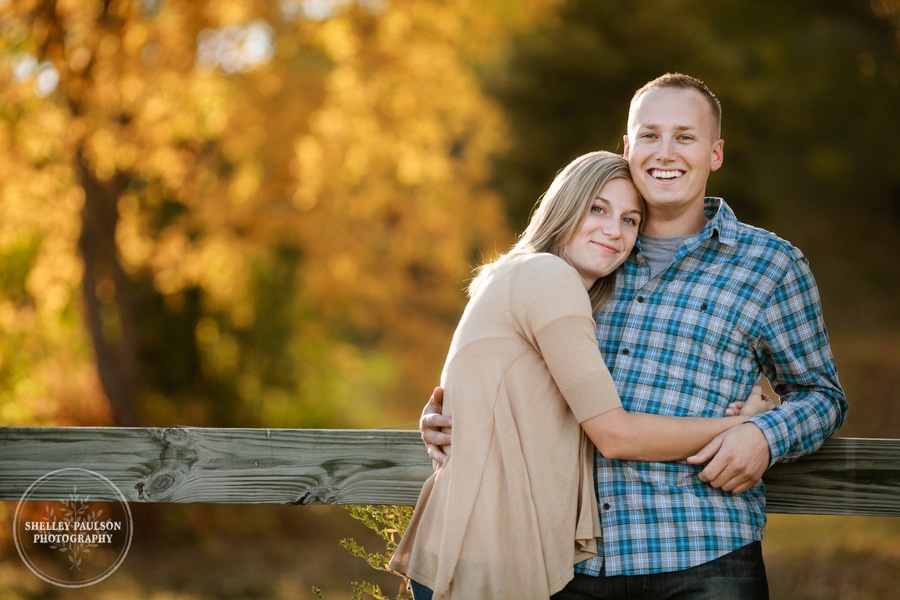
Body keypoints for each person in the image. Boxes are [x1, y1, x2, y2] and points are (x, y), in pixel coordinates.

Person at [421, 74, 848, 599]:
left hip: (705, 552)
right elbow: (510, 365)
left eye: (685, 137)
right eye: (649, 135)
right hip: (570, 563)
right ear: (627, 146)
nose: (665, 152)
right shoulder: (588, 258)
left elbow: (822, 396)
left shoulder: (769, 266)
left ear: (715, 154)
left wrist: (762, 434)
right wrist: (455, 416)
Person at [389, 150, 777, 600]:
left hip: (491, 545)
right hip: (485, 552)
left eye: (631, 220)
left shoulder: (522, 277)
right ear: (564, 206)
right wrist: (747, 427)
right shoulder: (549, 277)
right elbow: (616, 435)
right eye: (598, 209)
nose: (614, 230)